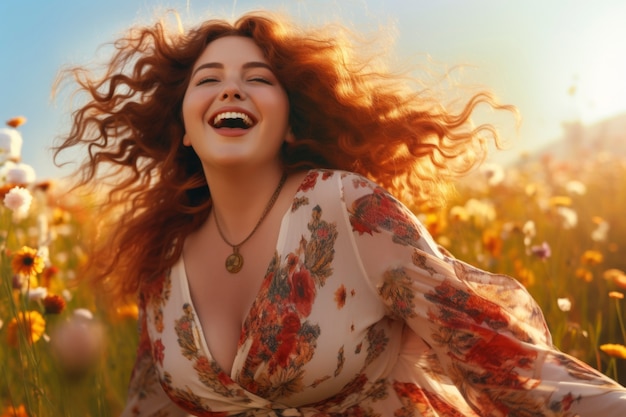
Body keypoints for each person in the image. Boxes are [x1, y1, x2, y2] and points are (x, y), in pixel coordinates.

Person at [54, 10, 626, 417]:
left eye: (257, 80)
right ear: (180, 128)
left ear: (294, 121)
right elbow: (148, 406)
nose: (232, 91)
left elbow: (498, 355)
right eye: (209, 80)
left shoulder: (346, 207)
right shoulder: (164, 260)